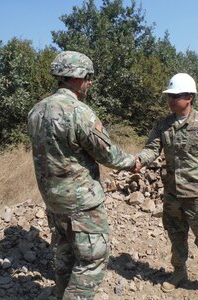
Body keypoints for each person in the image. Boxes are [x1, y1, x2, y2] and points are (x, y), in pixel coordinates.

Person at [27, 51, 140, 300]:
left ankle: (60, 293)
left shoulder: (36, 111)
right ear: (77, 77)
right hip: (82, 203)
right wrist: (133, 163)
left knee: (64, 252)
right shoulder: (79, 112)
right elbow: (107, 153)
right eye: (88, 77)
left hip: (53, 200)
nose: (90, 82)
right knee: (93, 259)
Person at [136, 73, 198, 299]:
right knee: (176, 236)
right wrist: (139, 160)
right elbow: (152, 148)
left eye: (175, 96)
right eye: (169, 96)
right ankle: (179, 273)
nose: (170, 100)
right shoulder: (164, 124)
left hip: (197, 195)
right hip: (172, 194)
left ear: (190, 97)